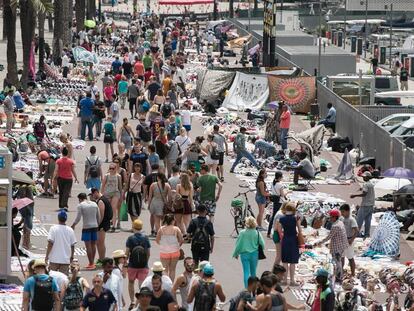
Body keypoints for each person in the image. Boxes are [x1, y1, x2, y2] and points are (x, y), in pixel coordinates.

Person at [315, 209, 348, 283]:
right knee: (338, 261)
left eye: (331, 217)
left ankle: (338, 277)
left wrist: (320, 242)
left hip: (337, 247)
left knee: (337, 262)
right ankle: (339, 276)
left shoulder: (335, 226)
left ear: (334, 217)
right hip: (342, 245)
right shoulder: (340, 223)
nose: (329, 218)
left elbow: (329, 237)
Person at [126, 219, 151, 309]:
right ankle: (138, 303)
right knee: (142, 285)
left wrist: (126, 263)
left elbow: (127, 253)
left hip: (132, 265)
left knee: (131, 282)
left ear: (133, 227)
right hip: (143, 266)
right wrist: (145, 262)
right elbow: (148, 253)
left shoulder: (130, 238)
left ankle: (132, 301)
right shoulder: (145, 238)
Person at [232, 216, 265, 288]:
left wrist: (236, 253)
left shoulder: (242, 232)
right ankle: (253, 289)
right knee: (253, 273)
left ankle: (247, 289)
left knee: (246, 272)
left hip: (244, 254)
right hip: (254, 254)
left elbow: (238, 244)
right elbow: (262, 244)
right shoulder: (257, 233)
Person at [71, 193, 100, 270]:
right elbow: (98, 216)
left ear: (80, 199)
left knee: (88, 246)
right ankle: (92, 262)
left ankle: (90, 263)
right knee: (93, 245)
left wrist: (73, 225)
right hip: (95, 226)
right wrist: (98, 224)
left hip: (86, 227)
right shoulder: (94, 204)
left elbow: (78, 217)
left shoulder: (81, 205)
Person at [276, 202, 301, 285]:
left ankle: (285, 280)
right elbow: (300, 230)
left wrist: (282, 235)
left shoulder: (281, 219)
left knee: (285, 261)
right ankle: (292, 280)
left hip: (285, 239)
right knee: (293, 262)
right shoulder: (295, 218)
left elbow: (279, 230)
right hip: (294, 240)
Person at [45, 210, 76, 276]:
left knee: (52, 278)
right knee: (64, 280)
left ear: (58, 218)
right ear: (66, 219)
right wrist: (72, 256)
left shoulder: (53, 228)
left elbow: (50, 243)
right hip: (65, 260)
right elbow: (72, 245)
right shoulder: (70, 230)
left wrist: (47, 256)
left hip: (54, 259)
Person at [156, 214, 184, 281]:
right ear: (173, 221)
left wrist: (162, 245)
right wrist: (178, 246)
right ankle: (171, 283)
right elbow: (181, 240)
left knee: (165, 269)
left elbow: (157, 240)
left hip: (164, 252)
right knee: (172, 269)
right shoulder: (176, 229)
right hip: (175, 251)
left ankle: (166, 283)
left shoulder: (161, 229)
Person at [90, 188, 113, 263]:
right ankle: (101, 258)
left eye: (92, 194)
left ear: (96, 192)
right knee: (99, 242)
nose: (92, 196)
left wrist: (97, 225)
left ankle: (102, 259)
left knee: (100, 242)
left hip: (102, 224)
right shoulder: (103, 199)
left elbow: (101, 215)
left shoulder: (101, 201)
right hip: (104, 223)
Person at [350, 171, 375, 238]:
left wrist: (354, 195)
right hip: (371, 205)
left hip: (365, 205)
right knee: (368, 221)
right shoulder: (370, 184)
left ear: (367, 177)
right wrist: (361, 188)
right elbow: (367, 190)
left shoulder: (366, 184)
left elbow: (364, 193)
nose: (363, 177)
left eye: (364, 177)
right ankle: (367, 234)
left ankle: (356, 234)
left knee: (359, 220)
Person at [101, 162, 123, 232]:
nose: (111, 170)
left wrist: (122, 196)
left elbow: (120, 186)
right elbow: (103, 185)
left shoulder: (118, 176)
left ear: (115, 169)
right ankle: (107, 224)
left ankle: (113, 225)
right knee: (107, 209)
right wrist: (101, 194)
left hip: (115, 193)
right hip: (107, 193)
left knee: (114, 208)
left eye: (112, 168)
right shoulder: (106, 175)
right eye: (110, 168)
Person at [340, 204, 358, 277]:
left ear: (348, 211)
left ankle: (353, 273)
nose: (342, 213)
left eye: (343, 212)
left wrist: (351, 239)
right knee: (341, 257)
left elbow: (356, 230)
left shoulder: (351, 220)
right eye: (341, 212)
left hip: (349, 240)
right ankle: (340, 271)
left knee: (350, 257)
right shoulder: (342, 219)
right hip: (343, 240)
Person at [267, 171, 287, 239]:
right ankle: (280, 232)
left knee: (273, 217)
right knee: (280, 216)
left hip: (275, 201)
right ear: (279, 177)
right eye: (281, 177)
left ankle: (269, 232)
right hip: (280, 202)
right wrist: (288, 192)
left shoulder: (273, 183)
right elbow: (282, 195)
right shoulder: (280, 185)